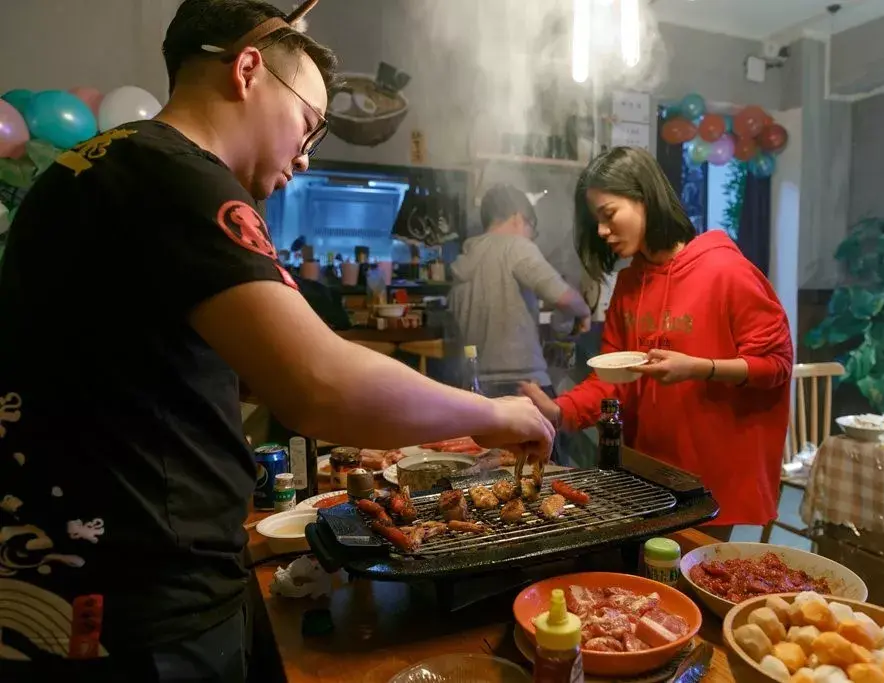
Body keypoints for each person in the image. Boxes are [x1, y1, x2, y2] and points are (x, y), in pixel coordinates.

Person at [0, 1, 552, 681]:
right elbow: (319, 384)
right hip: (142, 610)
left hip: (70, 582)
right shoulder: (178, 176)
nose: (306, 151)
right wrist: (497, 414)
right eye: (308, 123)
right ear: (248, 69)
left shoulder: (92, 169)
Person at [520, 146, 792, 540]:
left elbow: (777, 365)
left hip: (709, 476)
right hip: (646, 472)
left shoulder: (725, 271)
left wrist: (698, 367)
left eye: (608, 214)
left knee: (691, 584)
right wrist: (558, 411)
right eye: (596, 220)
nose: (601, 231)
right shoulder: (631, 284)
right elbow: (611, 378)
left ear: (643, 197)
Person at [449, 183, 592, 400]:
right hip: (521, 386)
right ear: (518, 217)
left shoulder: (464, 260)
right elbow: (561, 296)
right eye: (531, 228)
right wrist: (583, 310)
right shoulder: (515, 246)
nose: (531, 237)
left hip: (474, 389)